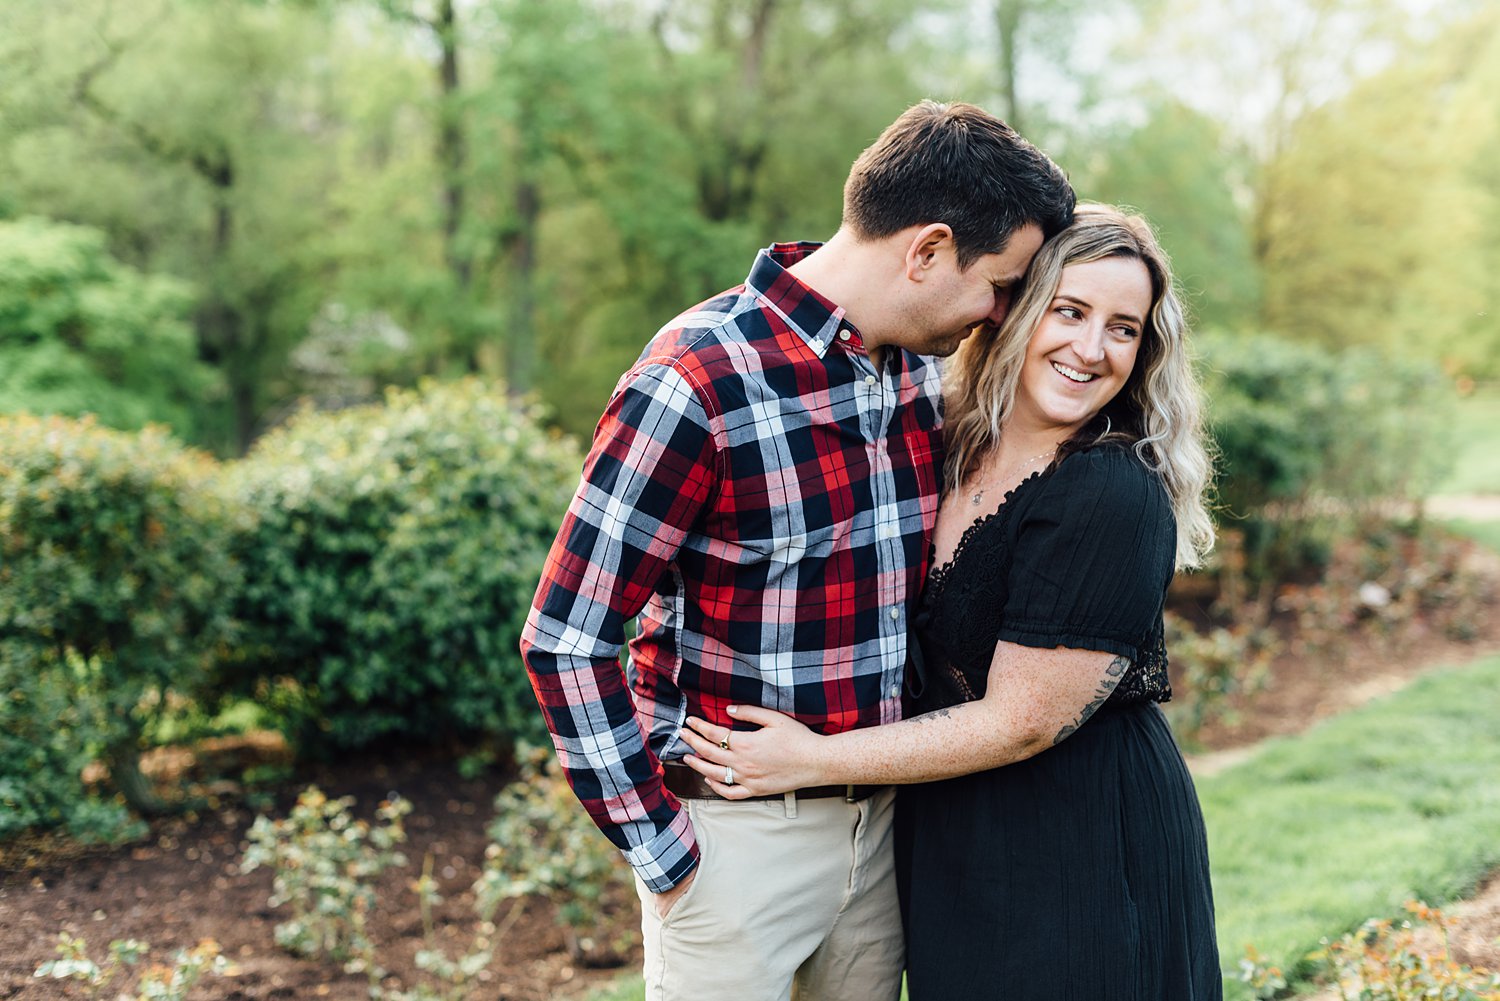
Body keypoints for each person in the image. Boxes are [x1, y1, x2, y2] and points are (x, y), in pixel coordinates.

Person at [519, 100, 1074, 1001]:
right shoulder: (694, 380)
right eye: (1001, 285)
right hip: (736, 847)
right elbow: (566, 638)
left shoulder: (917, 373)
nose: (1000, 314)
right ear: (926, 251)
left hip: (886, 831)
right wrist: (666, 854)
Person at [680, 204, 1222, 1000]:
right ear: (1016, 311)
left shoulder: (1109, 490)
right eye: (1070, 311)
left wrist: (815, 758)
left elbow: (1024, 717)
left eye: (1124, 328)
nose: (1091, 348)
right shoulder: (945, 436)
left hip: (1082, 841)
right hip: (954, 834)